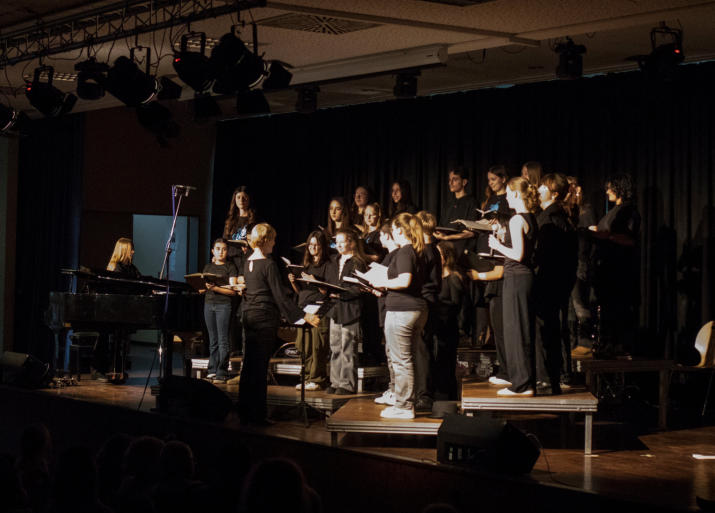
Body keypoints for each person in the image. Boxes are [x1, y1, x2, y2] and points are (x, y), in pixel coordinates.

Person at [237, 223, 320, 425]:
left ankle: (245, 412)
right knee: (259, 368)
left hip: (248, 315)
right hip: (264, 318)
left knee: (249, 367)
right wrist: (303, 315)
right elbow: (280, 296)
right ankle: (258, 416)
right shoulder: (268, 264)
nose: (274, 243)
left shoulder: (248, 261)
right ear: (265, 240)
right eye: (273, 239)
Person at [368, 213, 428, 419]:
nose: (392, 233)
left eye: (393, 229)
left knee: (401, 361)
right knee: (407, 360)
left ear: (400, 230)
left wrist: (381, 282)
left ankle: (404, 406)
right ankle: (407, 402)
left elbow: (404, 280)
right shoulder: (416, 251)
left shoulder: (405, 251)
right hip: (413, 309)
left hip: (402, 311)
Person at [487, 177, 539, 396]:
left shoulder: (517, 219)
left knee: (515, 330)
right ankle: (524, 381)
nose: (506, 197)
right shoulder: (530, 217)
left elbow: (518, 254)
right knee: (520, 329)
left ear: (516, 194)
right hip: (522, 278)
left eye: (508, 193)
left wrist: (497, 245)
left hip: (517, 278)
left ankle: (522, 384)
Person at [533, 174, 577, 394]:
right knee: (551, 329)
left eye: (543, 187)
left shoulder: (551, 219)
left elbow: (546, 256)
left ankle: (548, 379)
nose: (538, 190)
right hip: (556, 282)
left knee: (547, 331)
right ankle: (551, 377)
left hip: (548, 282)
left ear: (554, 193)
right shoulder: (556, 216)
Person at [590, 173, 641, 357]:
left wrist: (604, 235)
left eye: (610, 188)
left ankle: (618, 346)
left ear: (620, 189)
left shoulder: (629, 211)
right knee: (608, 308)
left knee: (618, 308)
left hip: (619, 270)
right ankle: (609, 345)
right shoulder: (616, 210)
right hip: (608, 268)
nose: (607, 191)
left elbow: (630, 239)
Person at [288, 231, 331, 390]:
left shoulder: (328, 264)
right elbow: (300, 291)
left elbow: (327, 291)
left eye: (316, 245)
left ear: (322, 246)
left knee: (317, 346)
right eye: (310, 245)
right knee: (303, 345)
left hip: (318, 307)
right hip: (304, 308)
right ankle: (306, 378)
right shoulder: (306, 264)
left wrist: (314, 281)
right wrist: (293, 282)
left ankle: (317, 379)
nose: (313, 247)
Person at [326, 229, 367, 394]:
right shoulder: (334, 260)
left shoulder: (358, 262)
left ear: (352, 243)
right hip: (335, 309)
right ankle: (335, 382)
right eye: (337, 242)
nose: (339, 245)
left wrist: (341, 293)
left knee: (348, 348)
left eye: (342, 242)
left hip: (350, 310)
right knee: (335, 347)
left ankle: (347, 384)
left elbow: (360, 288)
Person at [564, 176, 598, 356]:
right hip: (569, 260)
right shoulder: (567, 211)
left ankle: (585, 342)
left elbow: (592, 237)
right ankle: (571, 342)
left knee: (579, 302)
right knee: (570, 305)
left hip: (581, 261)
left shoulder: (585, 210)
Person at [414, 210, 442, 411]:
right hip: (430, 300)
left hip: (424, 301)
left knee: (422, 349)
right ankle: (424, 392)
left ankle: (424, 394)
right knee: (423, 348)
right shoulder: (434, 249)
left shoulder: (425, 251)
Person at [200, 238, 238, 383]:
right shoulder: (208, 267)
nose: (221, 252)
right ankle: (212, 369)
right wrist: (199, 287)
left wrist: (216, 288)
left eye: (224, 249)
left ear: (227, 251)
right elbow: (203, 288)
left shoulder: (230, 267)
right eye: (218, 249)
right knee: (212, 339)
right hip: (209, 304)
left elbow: (233, 291)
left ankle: (222, 371)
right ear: (212, 251)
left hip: (223, 305)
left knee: (223, 339)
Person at [434, 242, 465, 400]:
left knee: (446, 362)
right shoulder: (436, 278)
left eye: (438, 254)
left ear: (446, 257)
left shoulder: (454, 277)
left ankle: (447, 397)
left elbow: (457, 305)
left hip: (448, 327)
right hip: (437, 325)